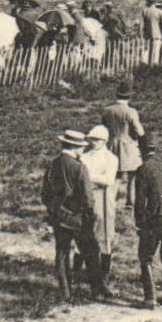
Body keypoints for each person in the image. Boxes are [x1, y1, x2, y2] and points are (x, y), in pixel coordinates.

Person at [40, 130, 107, 304]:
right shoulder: (79, 167)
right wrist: (89, 214)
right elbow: (88, 197)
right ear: (75, 147)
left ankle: (65, 293)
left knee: (62, 254)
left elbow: (45, 194)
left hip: (59, 217)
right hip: (79, 218)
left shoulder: (53, 165)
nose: (83, 150)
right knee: (91, 252)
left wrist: (54, 209)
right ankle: (96, 289)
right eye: (81, 147)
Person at [131, 138, 162, 308]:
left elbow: (140, 200)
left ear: (142, 150)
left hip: (154, 218)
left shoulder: (143, 169)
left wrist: (139, 222)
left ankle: (150, 298)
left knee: (145, 258)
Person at [81, 125, 120, 283]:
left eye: (98, 140)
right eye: (92, 139)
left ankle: (104, 270)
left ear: (104, 141)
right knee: (85, 229)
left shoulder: (111, 158)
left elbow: (109, 180)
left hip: (104, 198)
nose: (94, 142)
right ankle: (80, 266)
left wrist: (89, 177)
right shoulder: (85, 156)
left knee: (104, 231)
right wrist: (95, 177)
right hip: (87, 197)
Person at [101, 82, 146, 205]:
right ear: (130, 96)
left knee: (114, 175)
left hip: (111, 145)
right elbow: (140, 131)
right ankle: (130, 202)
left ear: (117, 95)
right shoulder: (130, 112)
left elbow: (103, 128)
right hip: (128, 146)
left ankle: (110, 201)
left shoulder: (107, 110)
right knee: (132, 176)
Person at [141, 0, 162, 65]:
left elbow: (142, 24)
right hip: (157, 34)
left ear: (148, 2)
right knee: (156, 52)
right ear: (154, 2)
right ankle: (154, 67)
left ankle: (148, 66)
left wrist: (141, 33)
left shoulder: (144, 11)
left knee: (148, 52)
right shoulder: (159, 12)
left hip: (147, 34)